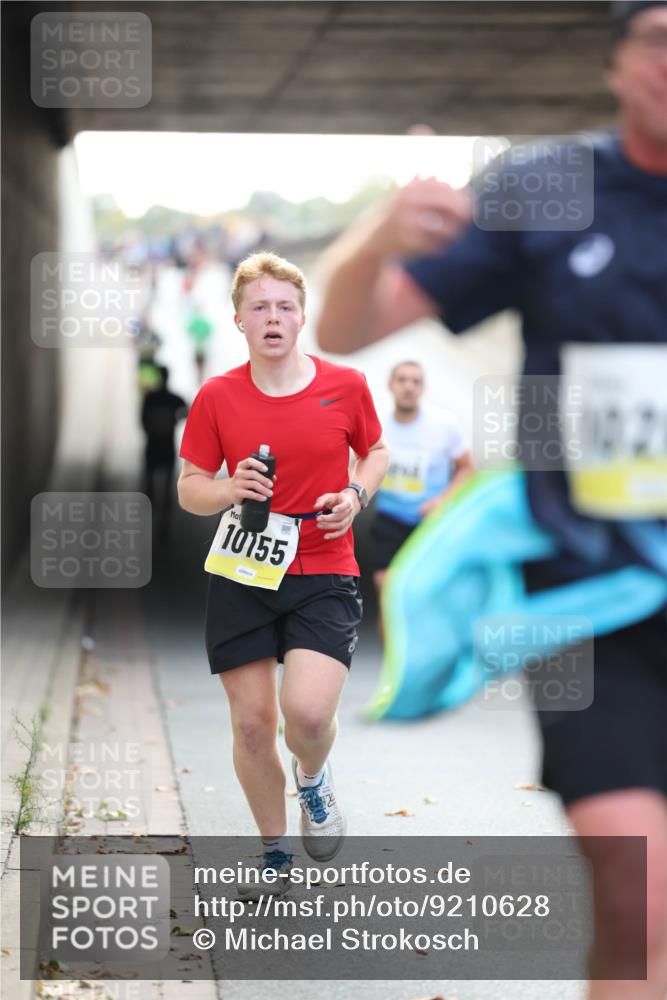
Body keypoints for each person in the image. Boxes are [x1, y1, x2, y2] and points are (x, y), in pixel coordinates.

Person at [315, 4, 667, 996]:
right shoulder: (549, 189)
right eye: (658, 39)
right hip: (584, 595)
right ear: (614, 64)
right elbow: (350, 327)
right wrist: (376, 238)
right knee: (636, 893)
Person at [177, 252, 388, 894]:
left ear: (302, 317)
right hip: (243, 565)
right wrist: (227, 486)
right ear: (238, 320)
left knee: (308, 715)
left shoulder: (345, 385)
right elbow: (188, 487)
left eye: (285, 306)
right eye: (260, 307)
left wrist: (354, 496)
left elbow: (374, 449)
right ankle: (274, 856)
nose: (274, 318)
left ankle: (314, 779)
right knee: (250, 724)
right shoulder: (217, 396)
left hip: (323, 565)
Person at [371, 359, 473, 611]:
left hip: (429, 522)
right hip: (390, 519)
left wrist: (442, 501)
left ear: (423, 388)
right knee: (387, 587)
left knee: (429, 594)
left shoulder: (443, 425)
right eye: (402, 380)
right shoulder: (376, 425)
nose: (409, 387)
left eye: (415, 381)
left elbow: (467, 467)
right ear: (390, 386)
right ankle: (392, 650)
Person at [141, 366, 188, 535]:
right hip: (166, 446)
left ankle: (149, 523)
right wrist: (173, 420)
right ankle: (163, 526)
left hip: (153, 445)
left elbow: (143, 420)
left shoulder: (150, 398)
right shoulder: (173, 399)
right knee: (167, 486)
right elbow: (187, 410)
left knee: (150, 486)